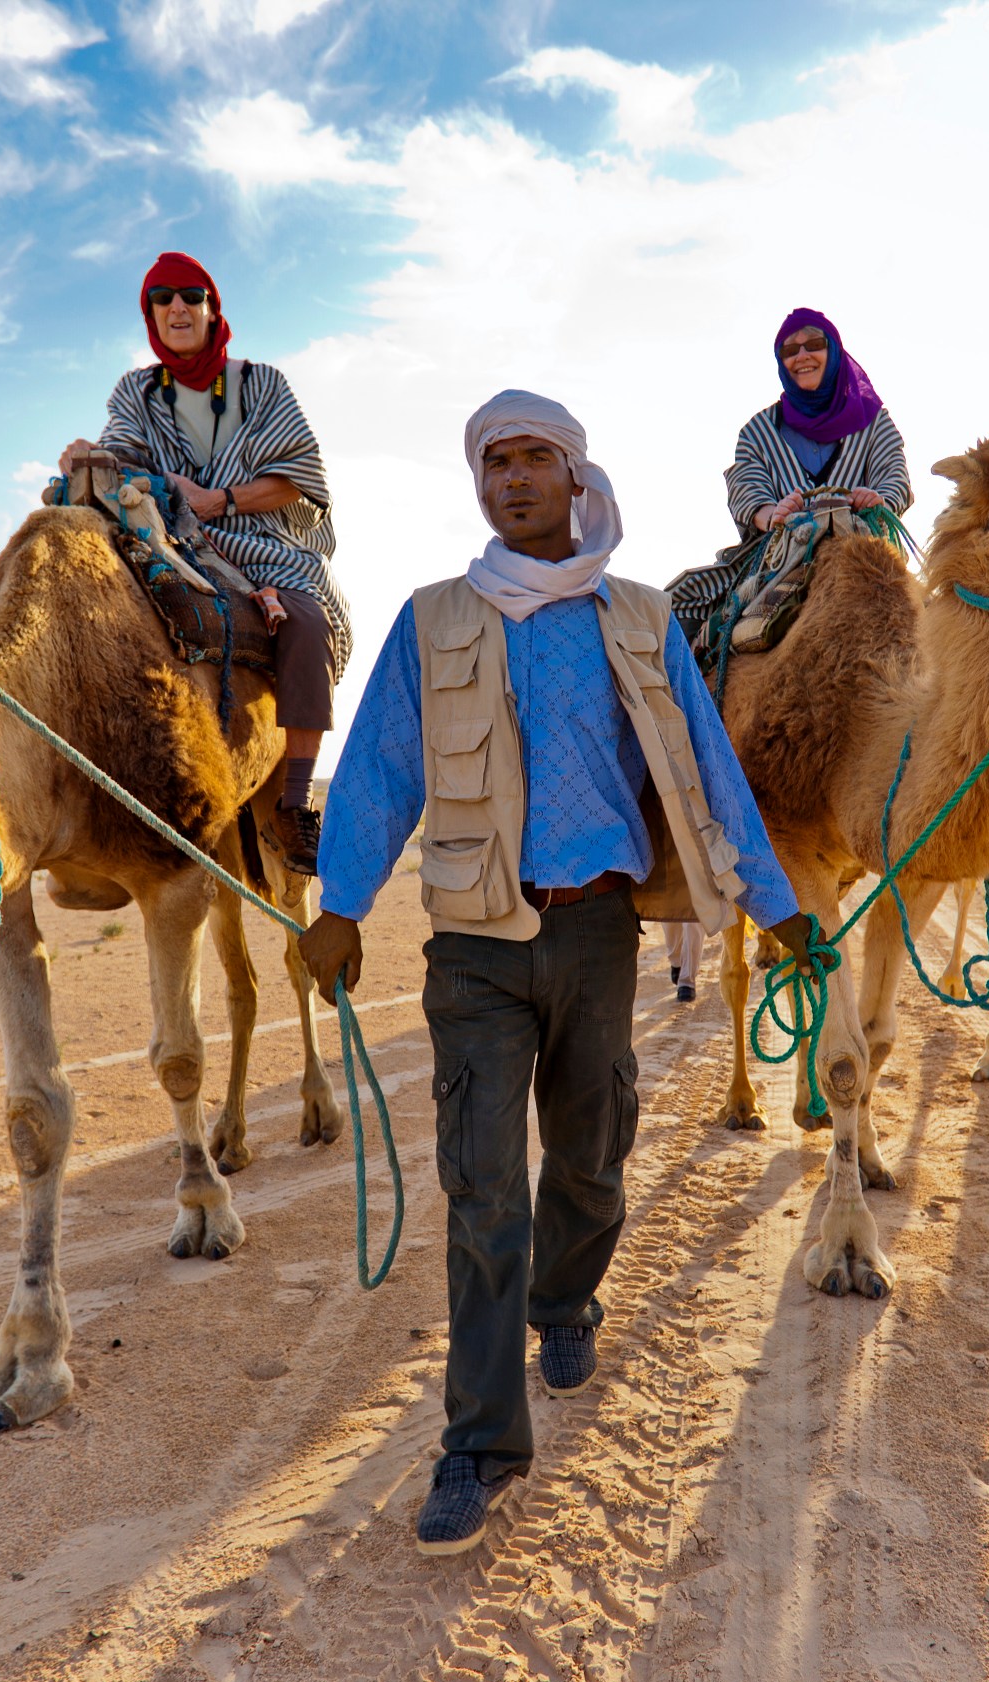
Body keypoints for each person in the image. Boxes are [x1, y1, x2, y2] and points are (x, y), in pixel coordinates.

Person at [300, 391, 815, 1557]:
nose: (513, 479)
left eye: (535, 458)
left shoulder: (636, 618)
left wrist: (775, 906)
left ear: (577, 476)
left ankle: (567, 1299)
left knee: (591, 1154)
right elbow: (379, 765)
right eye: (495, 461)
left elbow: (707, 770)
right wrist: (338, 904)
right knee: (483, 1194)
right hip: (474, 946)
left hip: (596, 939)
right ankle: (478, 1443)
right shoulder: (432, 619)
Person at [59, 252, 346, 873]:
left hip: (262, 545)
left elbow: (300, 476)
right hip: (172, 541)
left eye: (191, 295)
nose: (177, 308)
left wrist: (222, 499)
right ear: (150, 316)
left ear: (213, 309)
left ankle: (296, 802)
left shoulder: (263, 384)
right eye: (162, 299)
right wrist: (87, 458)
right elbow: (121, 460)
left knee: (306, 623)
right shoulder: (135, 393)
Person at [667, 307, 914, 631]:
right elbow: (746, 485)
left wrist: (878, 498)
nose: (802, 355)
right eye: (789, 349)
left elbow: (894, 473)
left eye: (814, 344)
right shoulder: (758, 431)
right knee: (675, 604)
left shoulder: (874, 423)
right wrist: (771, 514)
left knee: (938, 632)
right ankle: (679, 682)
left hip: (864, 548)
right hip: (775, 556)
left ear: (834, 349)